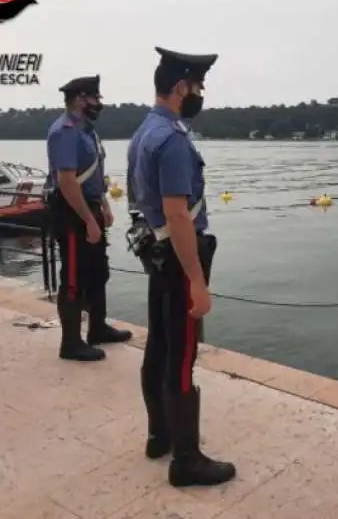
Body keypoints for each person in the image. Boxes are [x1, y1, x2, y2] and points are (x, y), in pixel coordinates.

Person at [129, 47, 236, 487]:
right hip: (178, 257)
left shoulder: (143, 132)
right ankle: (186, 460)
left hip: (157, 254)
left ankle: (160, 435)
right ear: (180, 88)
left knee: (159, 343)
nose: (198, 95)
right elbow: (177, 213)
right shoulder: (172, 139)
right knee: (182, 354)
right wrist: (197, 280)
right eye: (196, 87)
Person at [46, 75, 132, 362]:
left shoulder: (87, 131)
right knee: (73, 277)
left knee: (97, 271)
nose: (98, 104)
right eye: (95, 99)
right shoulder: (65, 131)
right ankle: (71, 343)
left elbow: (92, 174)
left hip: (91, 205)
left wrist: (103, 205)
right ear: (81, 99)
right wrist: (88, 219)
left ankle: (98, 328)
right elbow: (68, 182)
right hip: (72, 211)